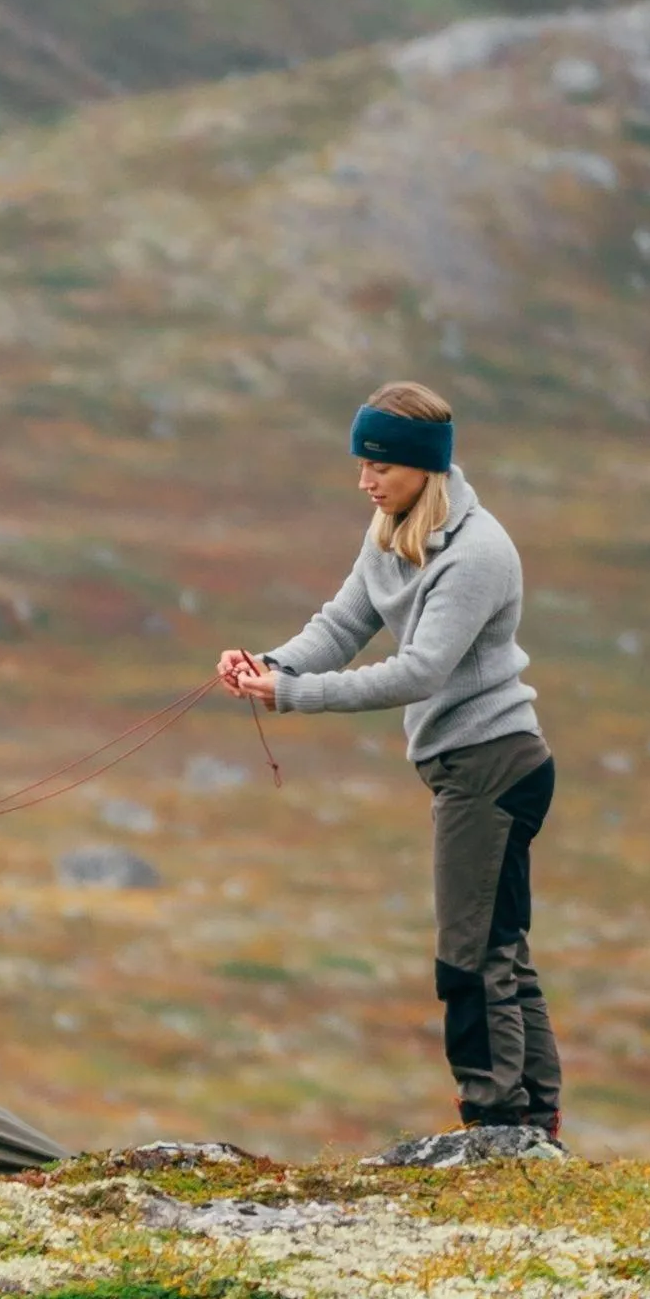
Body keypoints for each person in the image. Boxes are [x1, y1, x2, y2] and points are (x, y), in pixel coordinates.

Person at [217, 381, 562, 1157]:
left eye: (378, 464)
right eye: (361, 462)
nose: (364, 479)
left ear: (421, 466)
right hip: (467, 767)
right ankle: (531, 1120)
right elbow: (343, 623)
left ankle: (496, 1123)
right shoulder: (392, 531)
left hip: (492, 766)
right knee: (499, 945)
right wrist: (268, 663)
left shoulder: (476, 552)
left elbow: (420, 672)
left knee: (467, 953)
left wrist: (293, 696)